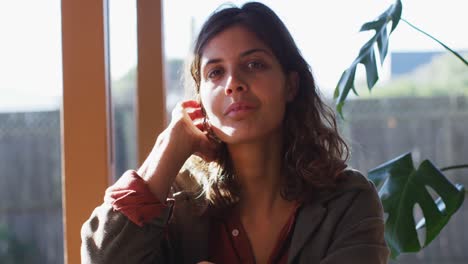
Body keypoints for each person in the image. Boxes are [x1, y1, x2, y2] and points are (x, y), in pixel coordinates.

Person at [81, 2, 389, 263]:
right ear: (200, 97)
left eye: (254, 64)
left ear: (291, 85)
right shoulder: (176, 199)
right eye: (215, 72)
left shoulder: (348, 199)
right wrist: (169, 145)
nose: (233, 83)